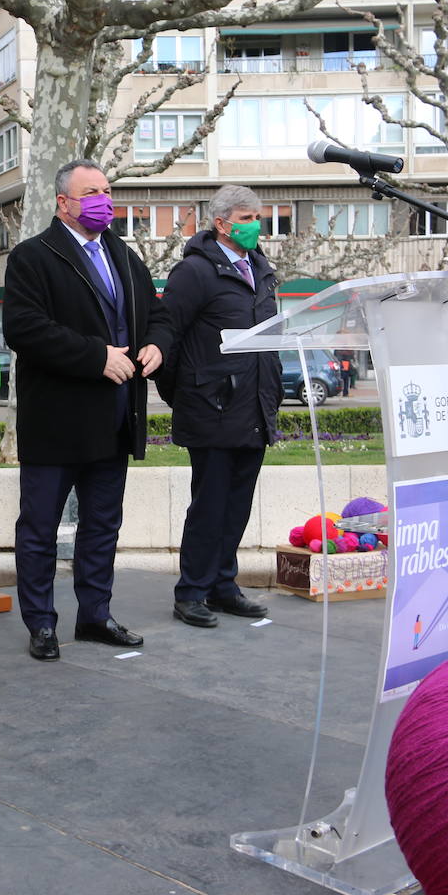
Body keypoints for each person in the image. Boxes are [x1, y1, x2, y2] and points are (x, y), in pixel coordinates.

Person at [3, 159, 170, 661]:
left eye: (107, 190)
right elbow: (25, 329)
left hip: (114, 421)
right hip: (56, 422)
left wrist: (158, 344)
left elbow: (155, 313)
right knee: (39, 531)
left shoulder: (123, 255)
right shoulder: (33, 256)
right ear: (63, 203)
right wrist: (96, 357)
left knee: (102, 527)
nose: (104, 199)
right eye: (92, 191)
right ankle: (41, 624)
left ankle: (95, 616)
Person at [160, 184, 282, 629]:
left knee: (237, 505)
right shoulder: (194, 272)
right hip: (211, 408)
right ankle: (191, 590)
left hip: (254, 407)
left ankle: (223, 584)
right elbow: (166, 335)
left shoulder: (262, 269)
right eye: (247, 218)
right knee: (208, 505)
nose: (256, 226)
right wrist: (191, 394)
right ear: (222, 223)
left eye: (258, 217)